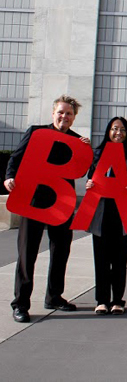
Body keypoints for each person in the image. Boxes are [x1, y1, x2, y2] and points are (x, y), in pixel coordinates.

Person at [4, 95, 91, 323]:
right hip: (33, 201)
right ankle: (20, 304)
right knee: (27, 253)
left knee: (61, 250)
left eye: (69, 114)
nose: (64, 116)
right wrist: (9, 177)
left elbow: (80, 172)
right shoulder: (36, 132)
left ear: (74, 118)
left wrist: (86, 153)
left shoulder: (77, 142)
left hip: (61, 203)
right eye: (61, 112)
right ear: (53, 113)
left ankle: (54, 297)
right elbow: (16, 158)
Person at [84, 117, 127, 315]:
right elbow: (90, 178)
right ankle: (101, 300)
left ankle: (117, 300)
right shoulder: (97, 156)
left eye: (123, 129)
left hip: (123, 214)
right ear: (108, 131)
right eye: (115, 128)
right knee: (101, 258)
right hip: (101, 213)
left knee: (119, 259)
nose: (118, 133)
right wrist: (89, 185)